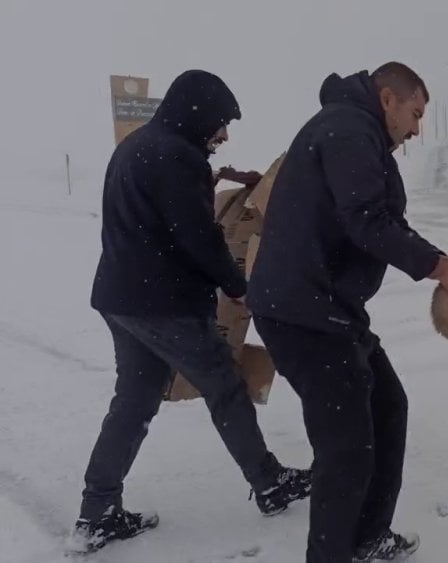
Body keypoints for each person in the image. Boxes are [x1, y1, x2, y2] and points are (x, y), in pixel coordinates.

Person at [67, 69, 311, 555]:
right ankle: (268, 483)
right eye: (220, 123)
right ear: (197, 112)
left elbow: (156, 219)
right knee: (224, 385)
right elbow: (198, 238)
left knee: (133, 402)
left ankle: (97, 513)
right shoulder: (180, 157)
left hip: (120, 300)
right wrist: (237, 286)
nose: (223, 134)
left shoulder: (136, 146)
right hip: (164, 304)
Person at [247, 62, 448, 563]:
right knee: (346, 449)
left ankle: (367, 538)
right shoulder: (348, 129)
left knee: (387, 407)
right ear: (388, 98)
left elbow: (374, 219)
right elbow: (368, 220)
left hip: (328, 309)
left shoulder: (355, 131)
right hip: (303, 314)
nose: (416, 129)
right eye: (415, 114)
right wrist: (440, 266)